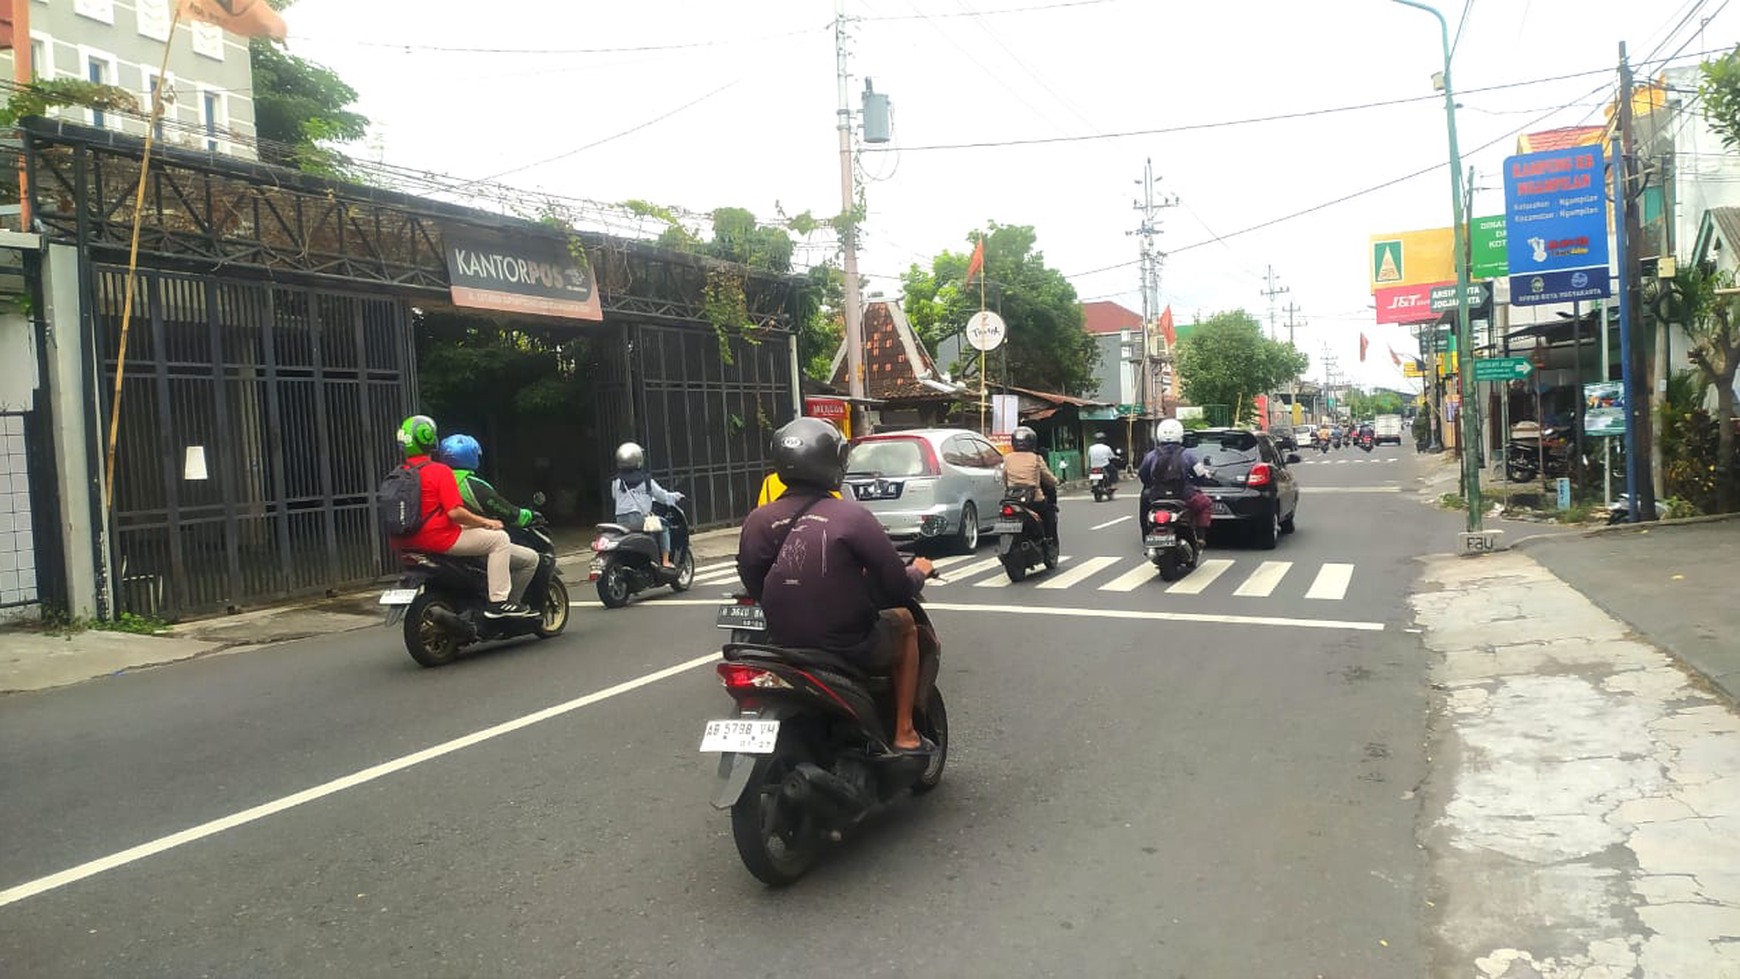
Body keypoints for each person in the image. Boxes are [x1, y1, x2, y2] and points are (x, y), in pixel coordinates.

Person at [737, 418, 934, 754]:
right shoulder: (852, 517)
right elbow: (898, 587)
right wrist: (919, 572)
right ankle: (904, 732)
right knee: (905, 623)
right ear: (834, 462)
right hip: (846, 645)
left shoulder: (758, 520)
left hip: (782, 644)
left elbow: (754, 583)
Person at [390, 415, 535, 619]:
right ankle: (499, 602)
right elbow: (455, 513)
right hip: (438, 539)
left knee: (474, 531)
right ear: (429, 439)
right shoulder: (440, 471)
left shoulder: (398, 474)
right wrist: (486, 522)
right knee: (499, 539)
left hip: (405, 541)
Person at [437, 433, 542, 609]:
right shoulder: (472, 485)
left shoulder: (437, 479)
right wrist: (528, 516)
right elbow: (504, 510)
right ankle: (506, 603)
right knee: (529, 558)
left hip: (439, 539)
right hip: (464, 540)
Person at [611, 441, 683, 568]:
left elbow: (615, 497)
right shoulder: (645, 480)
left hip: (621, 520)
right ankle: (665, 561)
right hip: (638, 519)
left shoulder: (616, 481)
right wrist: (677, 496)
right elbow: (663, 496)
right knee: (664, 526)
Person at [1138, 418, 1213, 536]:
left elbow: (1143, 475)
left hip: (1156, 495)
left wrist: (1152, 485)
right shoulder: (1188, 455)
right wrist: (1202, 480)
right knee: (1205, 503)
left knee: (1144, 502)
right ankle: (1200, 537)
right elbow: (1200, 475)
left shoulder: (1151, 455)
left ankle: (1145, 534)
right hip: (1183, 495)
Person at [1003, 425, 1060, 543]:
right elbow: (1047, 477)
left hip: (1012, 498)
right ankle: (1048, 540)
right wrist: (1056, 481)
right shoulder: (1036, 458)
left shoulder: (1007, 458)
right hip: (1033, 499)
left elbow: (1004, 477)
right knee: (1049, 512)